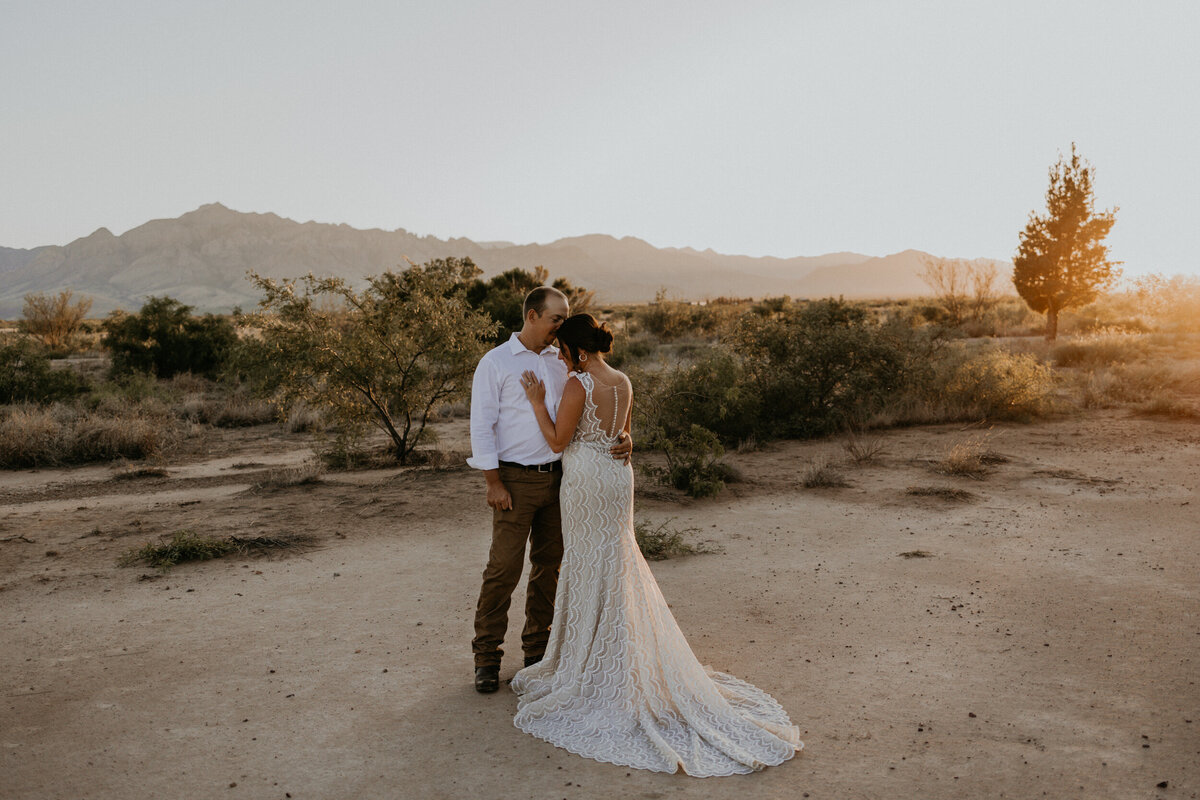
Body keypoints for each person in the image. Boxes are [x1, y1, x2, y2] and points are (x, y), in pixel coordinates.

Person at [510, 313, 802, 776]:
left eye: (563, 350)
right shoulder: (623, 380)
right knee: (618, 560)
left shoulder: (576, 385)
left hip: (586, 481)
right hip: (618, 479)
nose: (561, 357)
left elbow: (557, 441)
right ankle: (615, 650)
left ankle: (585, 662)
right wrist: (625, 441)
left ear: (578, 351)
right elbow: (624, 434)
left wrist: (534, 400)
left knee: (588, 563)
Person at [467, 287, 631, 694]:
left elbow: (593, 415)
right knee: (503, 569)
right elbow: (480, 425)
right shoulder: (496, 363)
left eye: (566, 318)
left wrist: (626, 436)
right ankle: (486, 658)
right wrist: (493, 481)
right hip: (515, 481)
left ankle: (538, 654)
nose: (562, 325)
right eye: (557, 318)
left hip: (565, 480)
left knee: (550, 569)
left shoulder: (565, 362)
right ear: (533, 316)